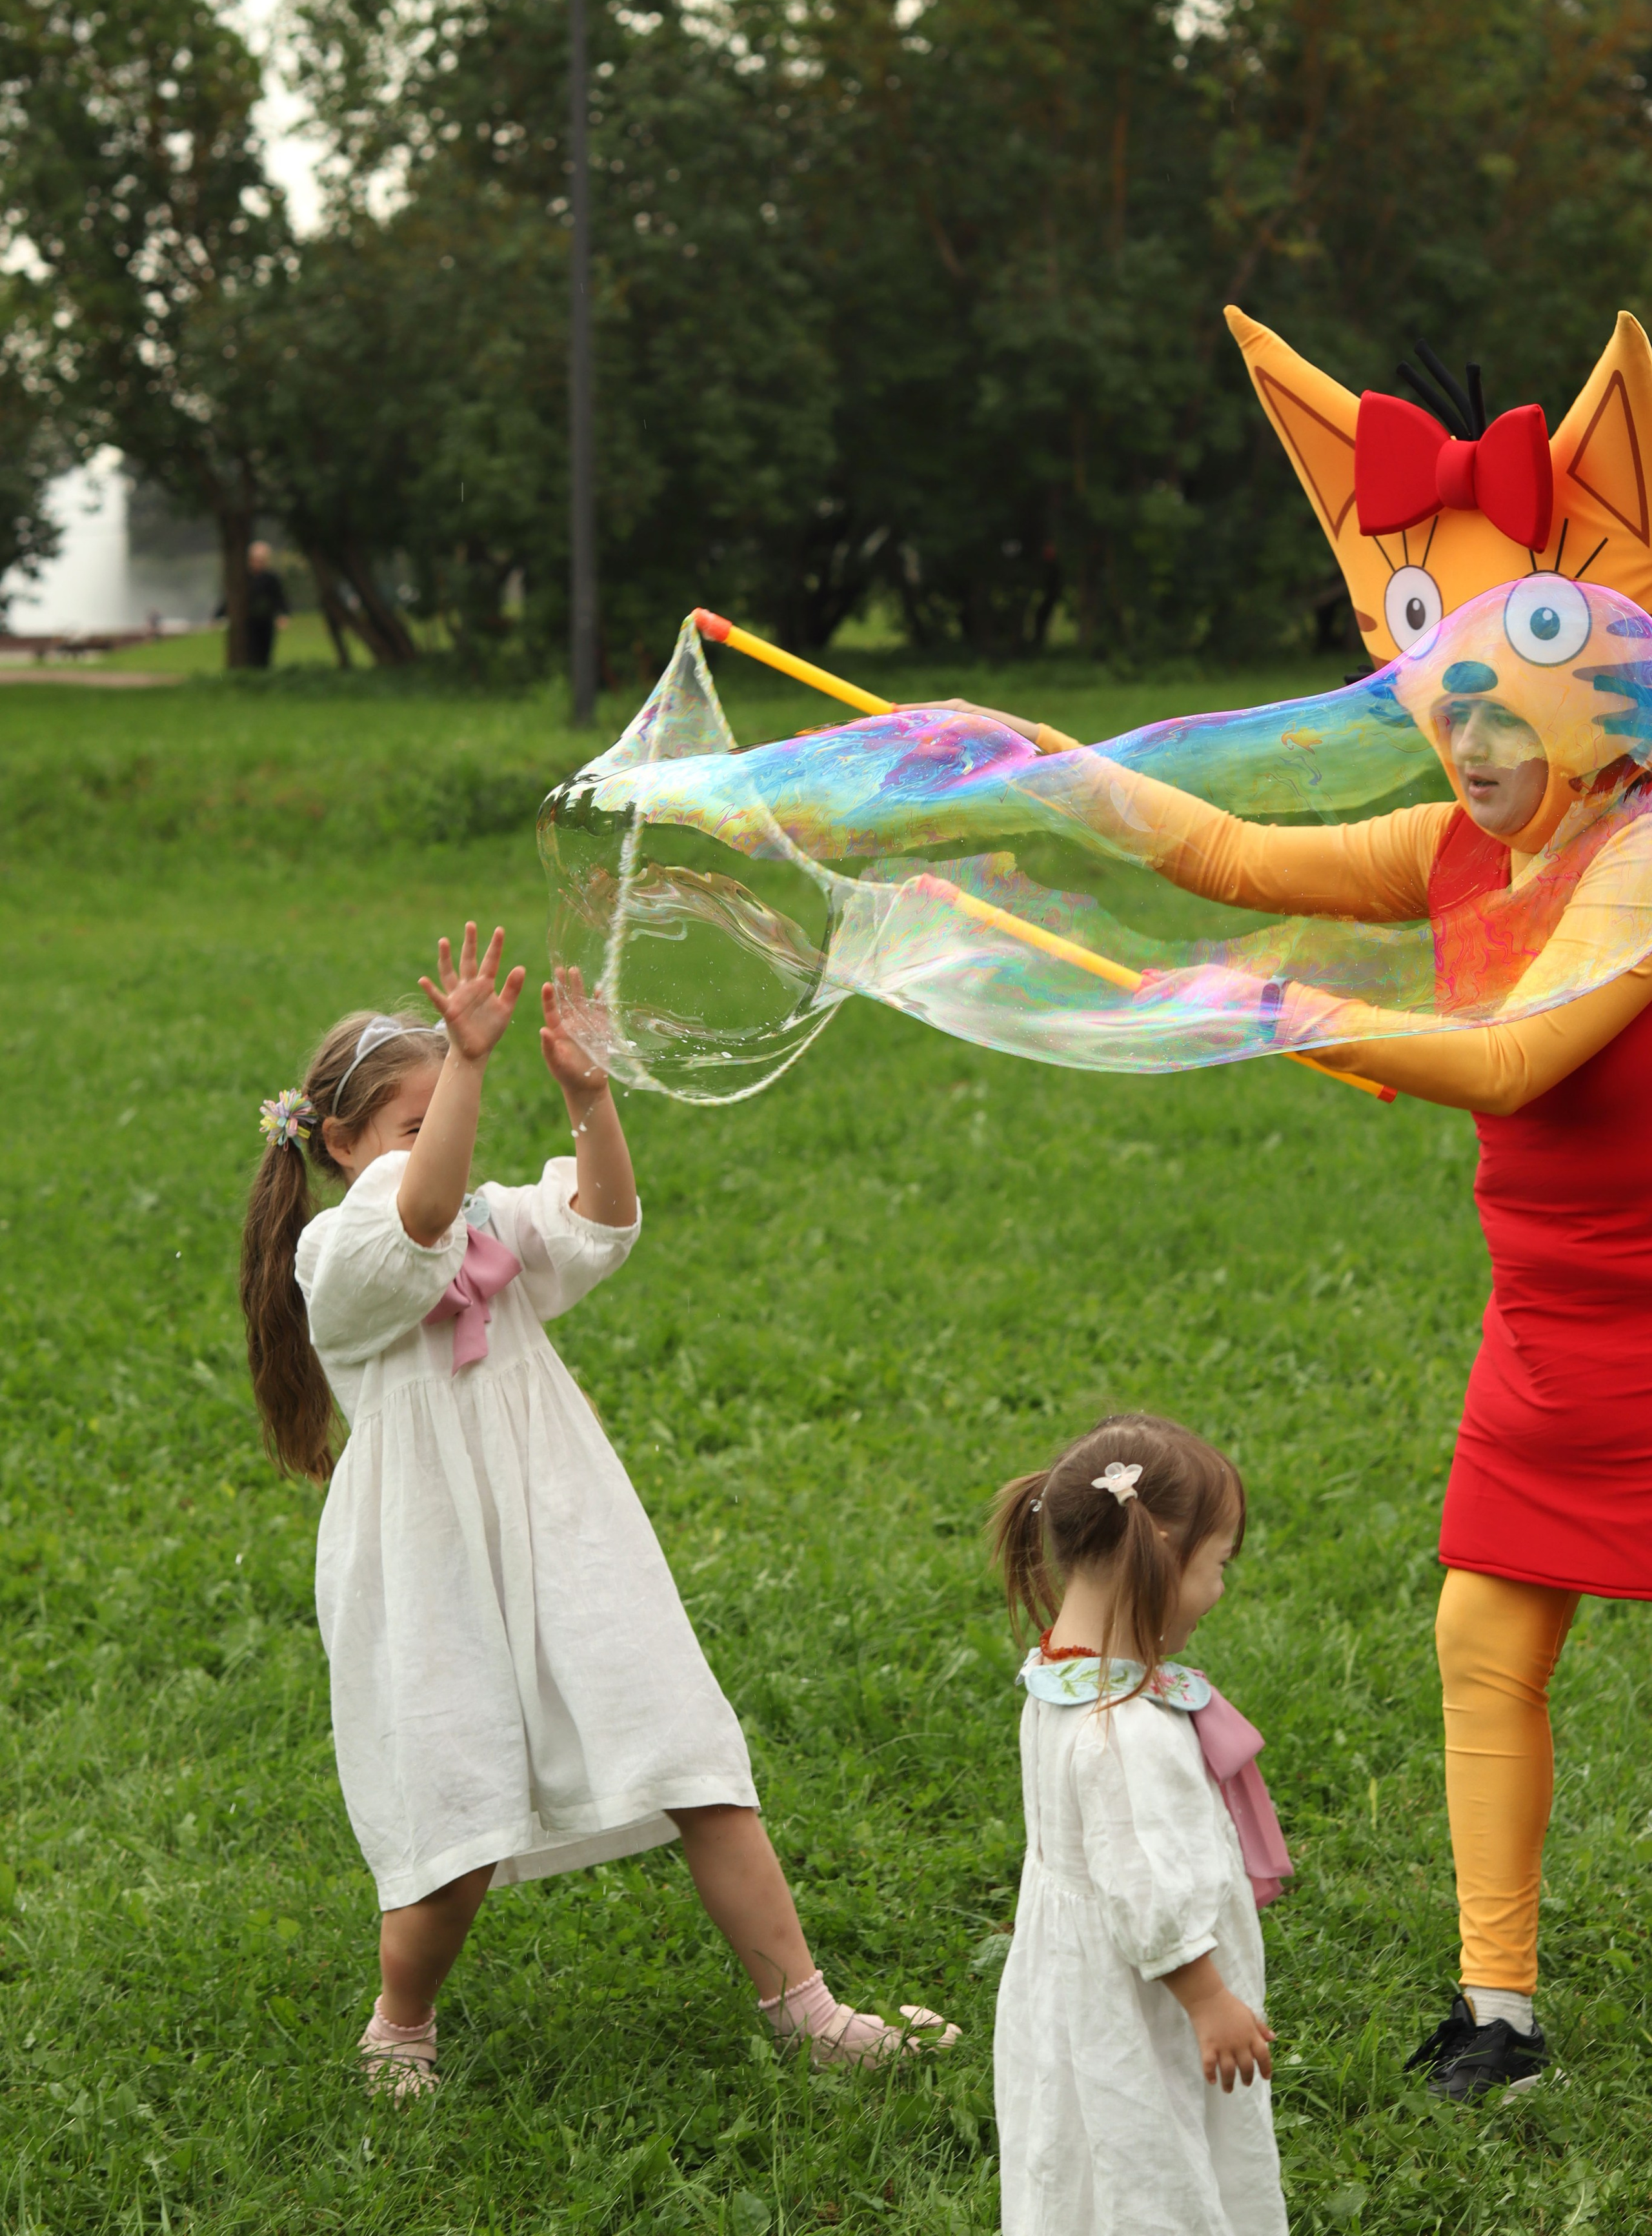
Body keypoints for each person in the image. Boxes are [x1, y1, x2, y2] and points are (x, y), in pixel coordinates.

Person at [945, 573, 1652, 2100]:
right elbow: (1232, 850)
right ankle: (1498, 2008)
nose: (1465, 749)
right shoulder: (1469, 845)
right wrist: (1044, 765)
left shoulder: (1637, 852)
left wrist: (1292, 1008)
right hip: (1547, 1312)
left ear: (1591, 730)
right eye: (1449, 714)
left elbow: (1520, 1057)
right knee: (1483, 1632)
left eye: (1503, 720)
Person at [238, 920, 957, 2097]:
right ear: (337, 1141)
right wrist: (466, 1064)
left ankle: (807, 2010)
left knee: (687, 1749)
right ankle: (400, 2024)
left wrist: (587, 1101)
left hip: (564, 1523)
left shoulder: (490, 1221)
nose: (449, 1150)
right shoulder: (341, 1252)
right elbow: (414, 1221)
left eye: (451, 1122)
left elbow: (604, 1221)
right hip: (429, 1560)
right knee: (456, 1815)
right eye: (416, 1127)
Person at [990, 1413, 1289, 2236]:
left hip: (1073, 1985)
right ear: (1155, 1551)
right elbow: (1145, 1892)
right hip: (1145, 1999)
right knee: (1150, 2155)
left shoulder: (1056, 1678)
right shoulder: (1127, 1732)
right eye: (1217, 1564)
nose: (1221, 1589)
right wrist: (1209, 2001)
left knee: (1081, 2144)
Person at [245, 541, 290, 669]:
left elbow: (279, 598)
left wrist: (283, 614)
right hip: (249, 620)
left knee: (265, 648)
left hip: (266, 620)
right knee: (251, 648)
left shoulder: (271, 579)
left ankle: (264, 672)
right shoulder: (244, 579)